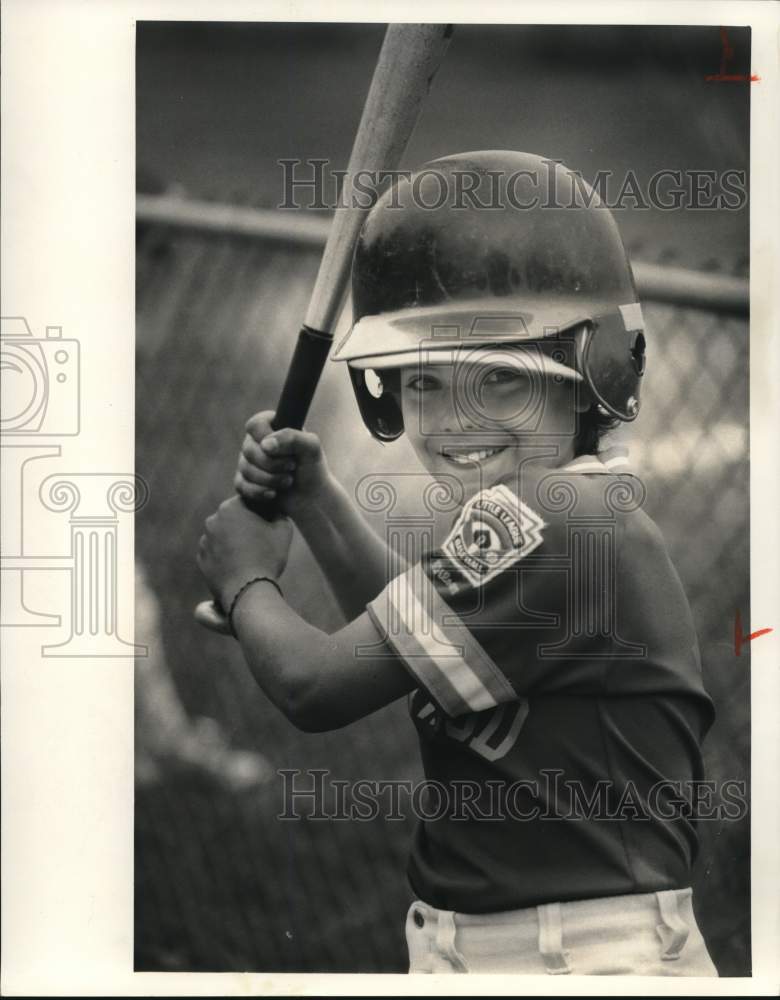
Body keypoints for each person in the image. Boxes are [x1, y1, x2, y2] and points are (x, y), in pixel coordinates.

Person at [197, 151, 717, 975]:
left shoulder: (554, 520)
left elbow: (316, 686)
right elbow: (417, 640)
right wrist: (318, 500)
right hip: (545, 945)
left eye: (501, 379)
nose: (454, 417)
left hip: (576, 959)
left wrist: (244, 578)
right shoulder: (571, 512)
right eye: (426, 382)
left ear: (595, 375)